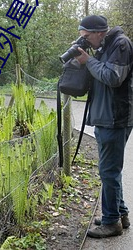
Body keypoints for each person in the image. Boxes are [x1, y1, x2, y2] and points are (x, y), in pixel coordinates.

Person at [75, 15, 133, 238]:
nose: (86, 41)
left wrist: (88, 61)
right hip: (105, 117)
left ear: (99, 32)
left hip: (115, 118)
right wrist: (85, 59)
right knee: (110, 171)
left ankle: (111, 223)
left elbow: (112, 77)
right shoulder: (104, 46)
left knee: (108, 171)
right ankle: (120, 214)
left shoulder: (121, 44)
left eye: (87, 37)